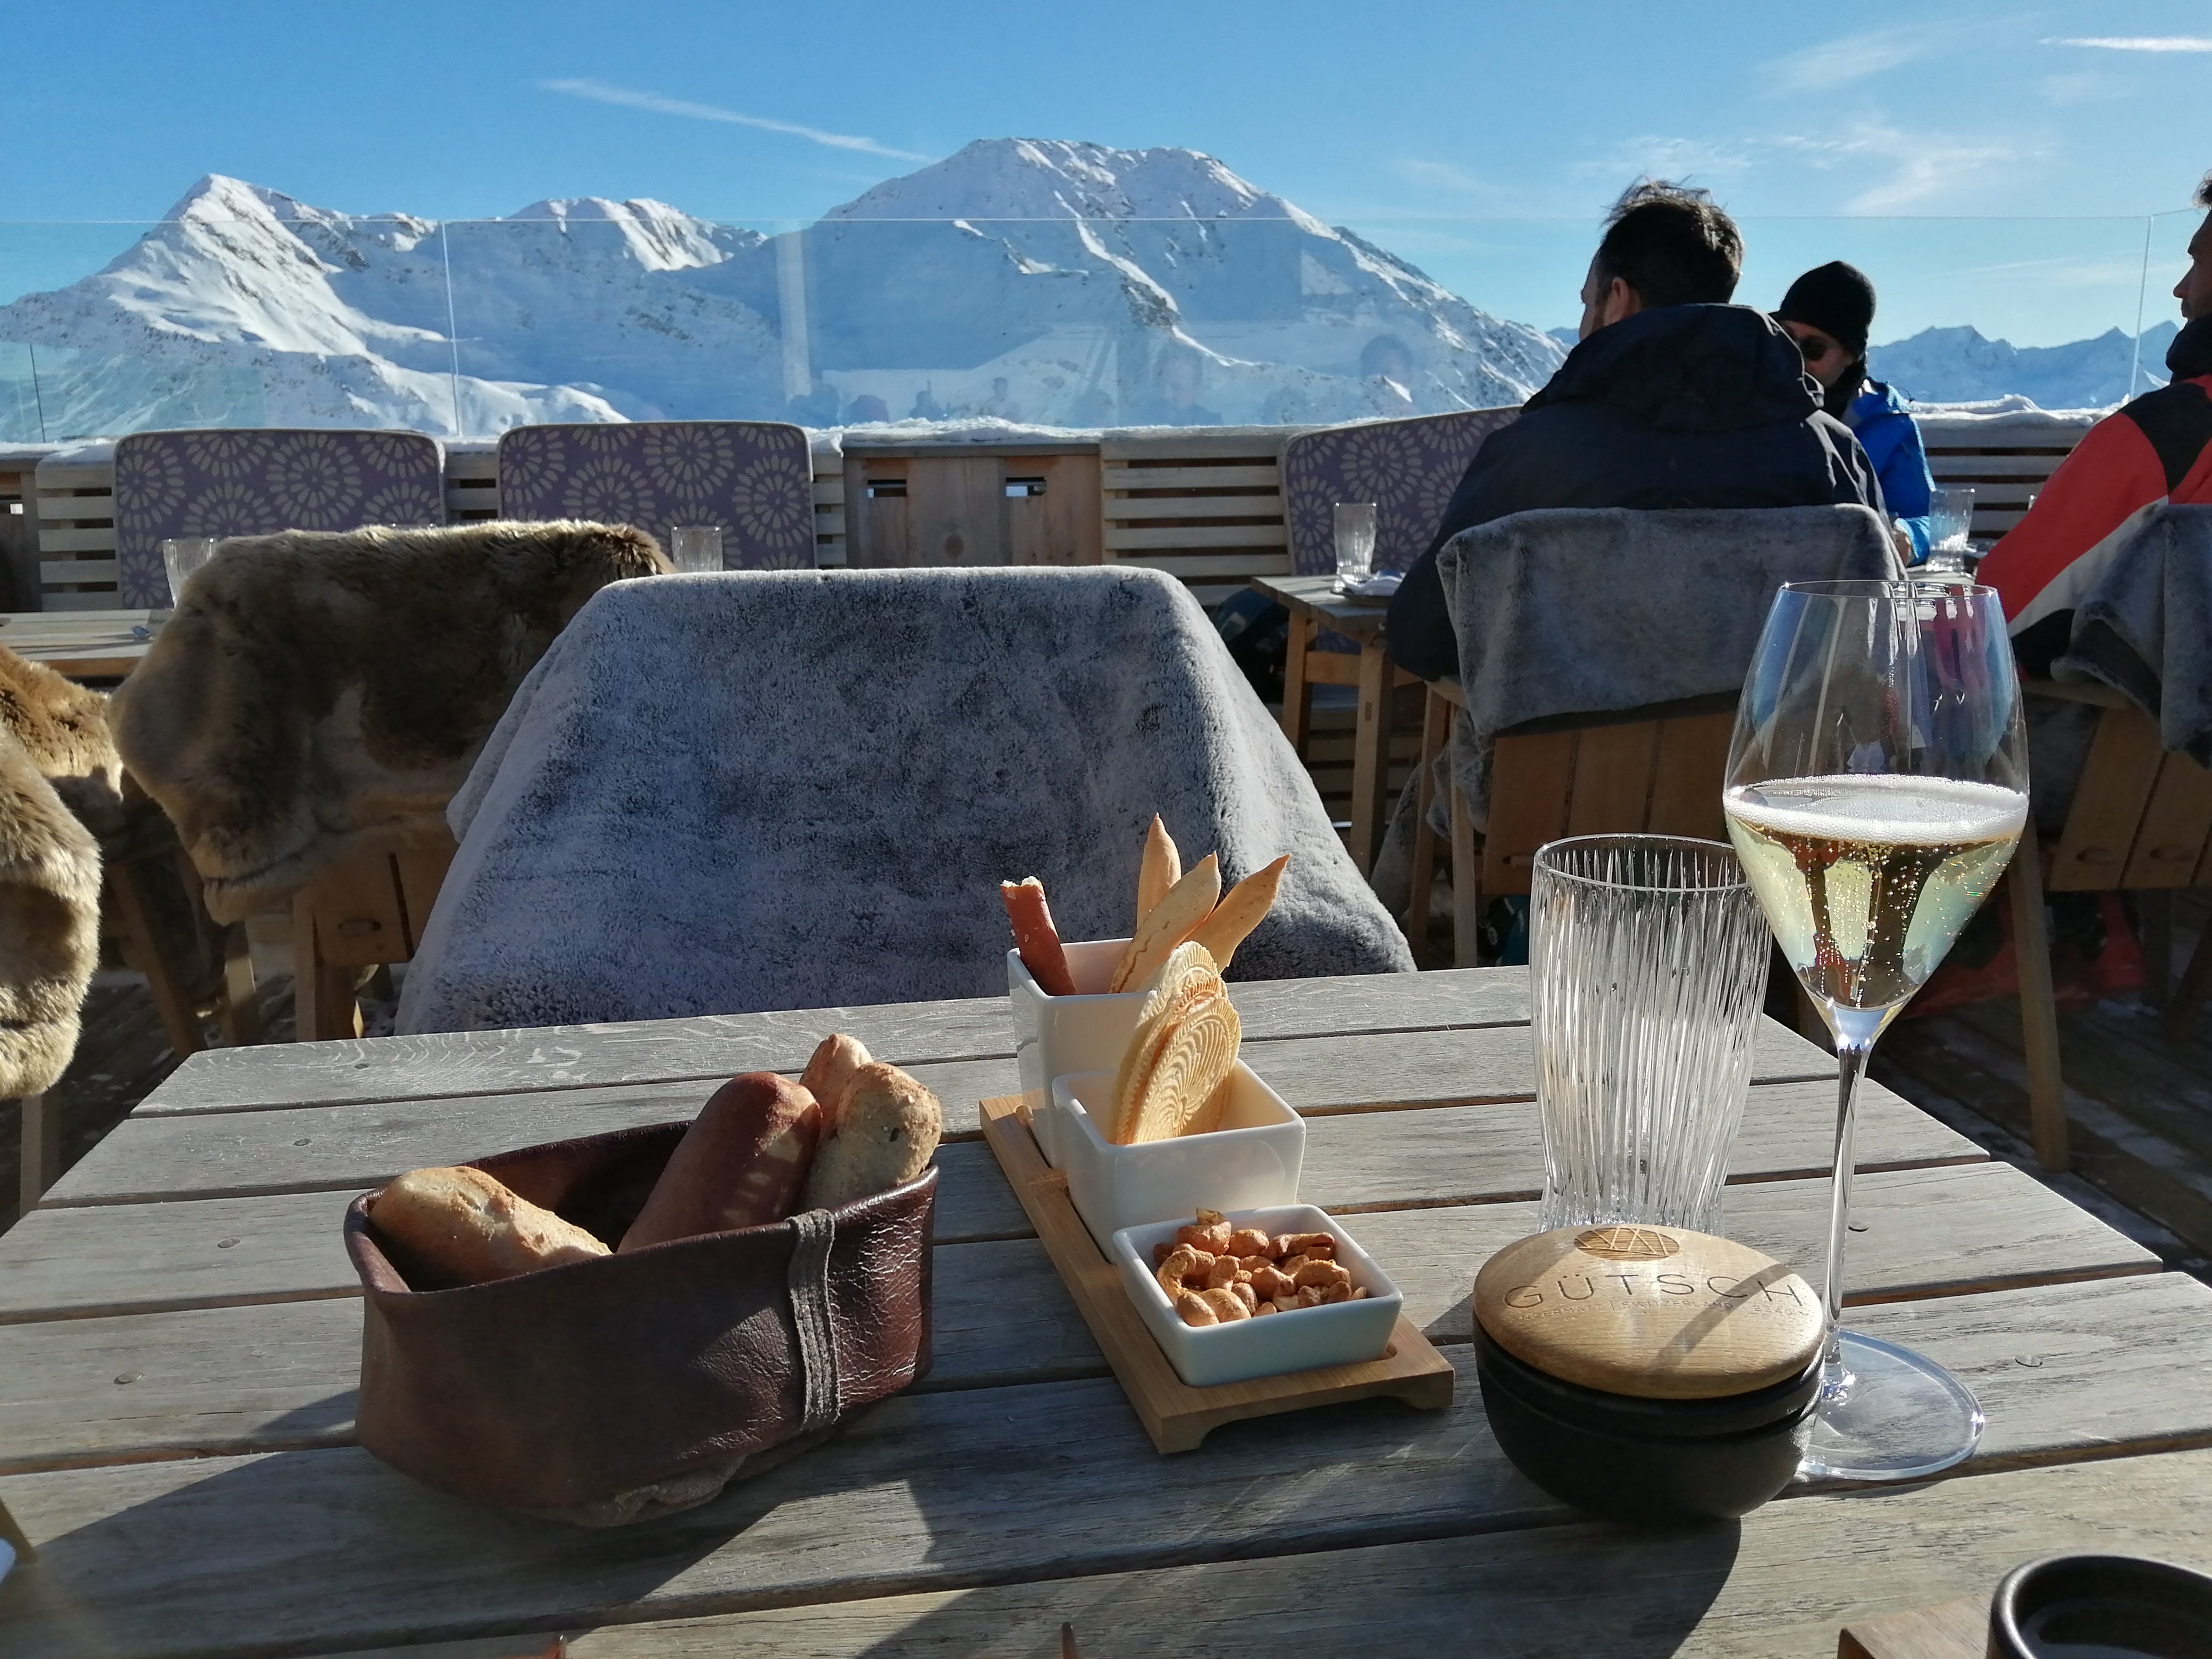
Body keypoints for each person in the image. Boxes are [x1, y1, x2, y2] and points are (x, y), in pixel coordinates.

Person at [1385, 181, 1884, 681]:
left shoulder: (1539, 453)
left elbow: (1422, 638)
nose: (1584, 323)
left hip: (1561, 758)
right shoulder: (1834, 453)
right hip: (1773, 755)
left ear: (1619, 300)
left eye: (1587, 304)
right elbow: (1878, 630)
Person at [1976, 171, 2212, 676]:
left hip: (2123, 748)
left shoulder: (2169, 435)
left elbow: (1999, 619)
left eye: (2198, 260)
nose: (2181, 288)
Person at [1775, 261, 1934, 562]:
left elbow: (1927, 518)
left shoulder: (1886, 421)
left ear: (1850, 357)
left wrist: (1907, 539)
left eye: (1813, 348)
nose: (1792, 357)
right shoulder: (1736, 401)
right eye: (1784, 337)